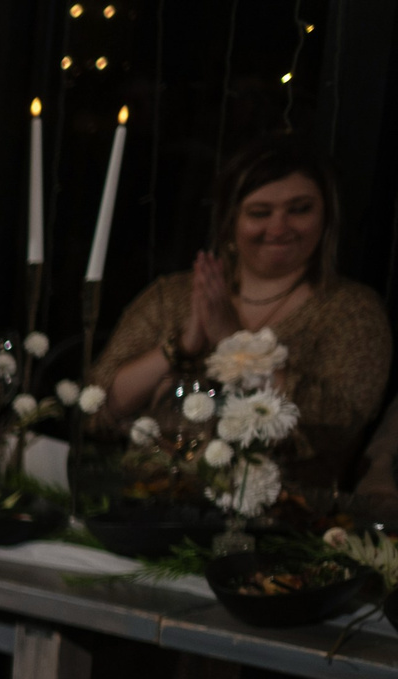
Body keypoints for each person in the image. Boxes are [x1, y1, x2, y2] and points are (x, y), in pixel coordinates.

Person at [92, 132, 390, 486]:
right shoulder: (174, 295)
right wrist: (181, 348)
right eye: (260, 212)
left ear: (326, 218)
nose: (279, 228)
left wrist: (233, 342)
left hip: (280, 517)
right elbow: (99, 407)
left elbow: (336, 425)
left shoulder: (352, 311)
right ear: (230, 221)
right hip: (144, 496)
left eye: (300, 210)